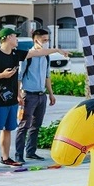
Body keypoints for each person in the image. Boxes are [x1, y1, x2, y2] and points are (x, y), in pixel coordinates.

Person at [0, 28, 66, 171]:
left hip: (12, 98)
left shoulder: (16, 54)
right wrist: (2, 75)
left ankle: (5, 158)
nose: (17, 39)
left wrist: (57, 50)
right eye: (15, 36)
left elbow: (38, 52)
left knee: (8, 129)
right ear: (7, 38)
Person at [14, 28, 65, 164]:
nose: (46, 42)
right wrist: (19, 94)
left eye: (48, 40)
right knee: (24, 125)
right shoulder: (28, 56)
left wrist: (51, 94)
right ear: (36, 39)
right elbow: (19, 76)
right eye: (44, 40)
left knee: (36, 125)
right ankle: (19, 154)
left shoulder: (46, 56)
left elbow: (47, 76)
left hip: (41, 96)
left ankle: (31, 152)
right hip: (28, 95)